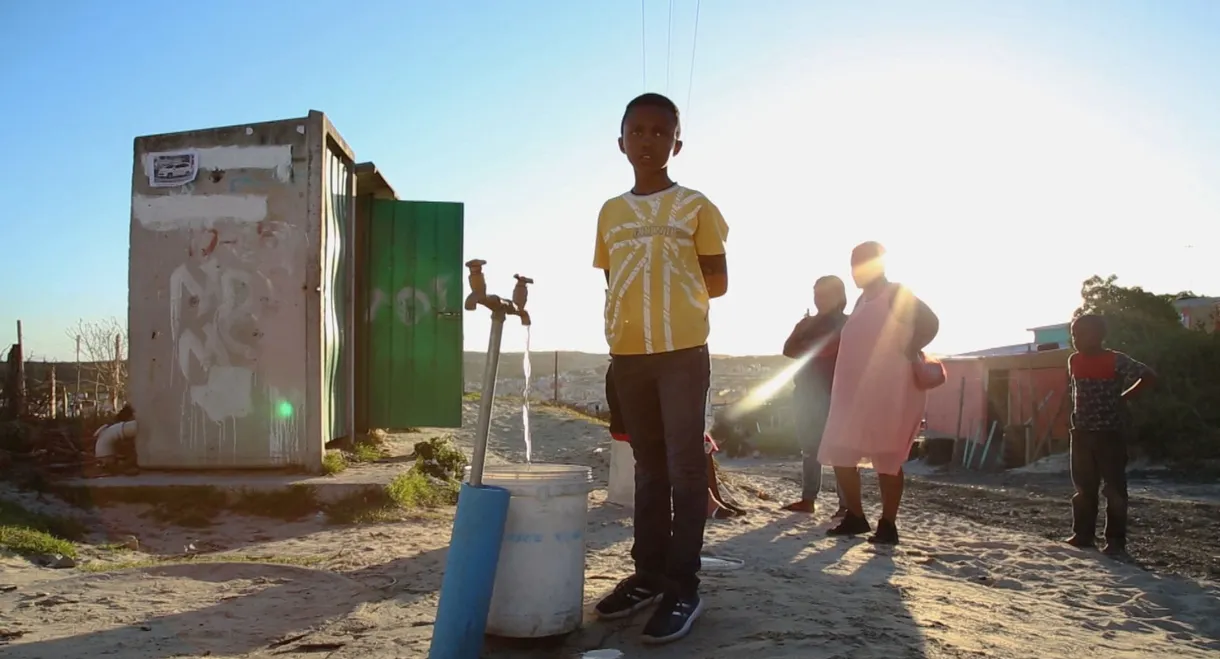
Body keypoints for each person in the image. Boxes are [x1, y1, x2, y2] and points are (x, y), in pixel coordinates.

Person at [592, 92, 729, 645]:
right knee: (648, 469)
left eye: (659, 132)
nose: (647, 141)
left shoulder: (695, 206)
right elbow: (610, 278)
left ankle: (683, 586)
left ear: (676, 142)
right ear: (620, 140)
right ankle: (647, 575)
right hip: (629, 356)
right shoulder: (610, 212)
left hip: (681, 353)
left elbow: (717, 281)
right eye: (637, 131)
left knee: (685, 467)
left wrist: (671, 298)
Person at [818, 241, 939, 545]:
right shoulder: (861, 301)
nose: (855, 271)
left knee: (886, 456)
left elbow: (931, 323)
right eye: (853, 264)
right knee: (841, 450)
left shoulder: (896, 292)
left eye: (860, 263)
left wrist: (909, 348)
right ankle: (856, 517)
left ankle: (888, 523)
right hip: (854, 391)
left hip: (890, 389)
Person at [1065, 313, 1156, 556]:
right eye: (1073, 335)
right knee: (1084, 488)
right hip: (1081, 432)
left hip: (1110, 433)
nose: (1076, 339)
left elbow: (1148, 375)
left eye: (1081, 334)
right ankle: (1083, 535)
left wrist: (1123, 397)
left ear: (1098, 335)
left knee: (1114, 489)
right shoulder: (1074, 360)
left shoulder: (1116, 360)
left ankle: (1115, 542)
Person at [780, 275, 850, 516]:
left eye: (824, 294)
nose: (819, 299)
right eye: (816, 294)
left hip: (837, 393)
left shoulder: (848, 323)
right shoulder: (806, 323)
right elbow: (788, 349)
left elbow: (831, 348)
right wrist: (815, 344)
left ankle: (847, 505)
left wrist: (810, 344)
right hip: (805, 393)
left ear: (839, 296)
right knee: (809, 447)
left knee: (842, 450)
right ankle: (808, 499)